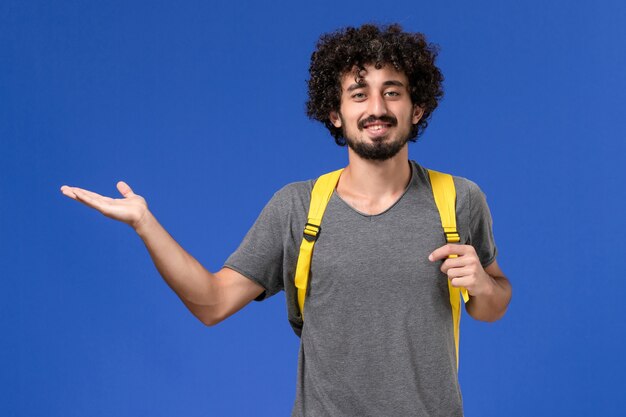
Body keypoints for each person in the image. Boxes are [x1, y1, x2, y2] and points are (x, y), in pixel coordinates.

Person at [61, 23, 511, 417]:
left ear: (417, 109)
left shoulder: (459, 199)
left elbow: (491, 304)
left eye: (392, 91)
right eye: (359, 93)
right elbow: (212, 303)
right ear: (336, 114)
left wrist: (484, 286)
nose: (376, 107)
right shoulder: (296, 208)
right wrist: (145, 224)